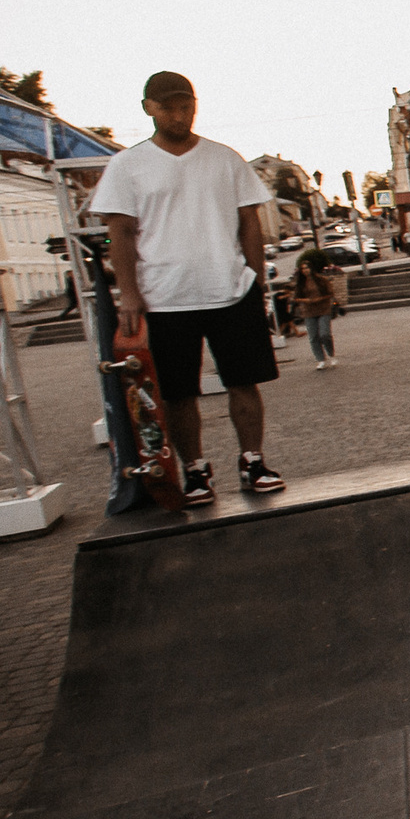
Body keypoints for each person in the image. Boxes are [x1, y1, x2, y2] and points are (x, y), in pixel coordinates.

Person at [89, 72, 286, 504]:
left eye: (186, 106)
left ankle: (253, 461)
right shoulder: (128, 165)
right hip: (164, 297)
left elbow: (249, 221)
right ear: (149, 109)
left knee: (244, 383)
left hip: (231, 289)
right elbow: (119, 233)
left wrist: (255, 278)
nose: (180, 115)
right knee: (178, 393)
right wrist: (129, 294)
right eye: (169, 107)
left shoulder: (224, 159)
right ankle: (195, 470)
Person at [292, 252, 345, 370]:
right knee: (313, 336)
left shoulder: (321, 280)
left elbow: (330, 293)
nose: (305, 270)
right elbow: (296, 298)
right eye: (303, 269)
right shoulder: (300, 284)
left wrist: (319, 299)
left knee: (325, 334)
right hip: (308, 311)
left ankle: (331, 355)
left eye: (307, 268)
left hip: (323, 309)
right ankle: (320, 359)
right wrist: (306, 300)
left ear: (311, 268)